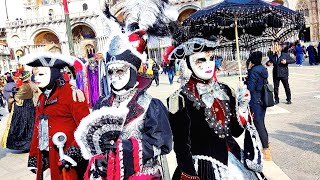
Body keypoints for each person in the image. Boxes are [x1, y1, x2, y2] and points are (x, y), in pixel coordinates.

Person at [74, 30, 172, 180]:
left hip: (142, 173)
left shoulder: (150, 105)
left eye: (120, 71)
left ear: (132, 72)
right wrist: (98, 157)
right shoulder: (103, 104)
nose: (114, 77)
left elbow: (162, 143)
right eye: (111, 72)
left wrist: (122, 149)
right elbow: (93, 140)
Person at [167, 38, 265, 180]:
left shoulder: (225, 90)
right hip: (201, 168)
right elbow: (181, 145)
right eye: (200, 60)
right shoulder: (181, 99)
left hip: (234, 161)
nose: (208, 65)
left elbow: (236, 132)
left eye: (211, 58)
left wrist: (242, 108)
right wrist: (189, 173)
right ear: (188, 63)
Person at [19, 52, 90, 180]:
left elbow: (86, 125)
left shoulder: (70, 93)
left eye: (41, 74)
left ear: (54, 73)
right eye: (35, 75)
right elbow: (37, 127)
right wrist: (34, 156)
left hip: (67, 157)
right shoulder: (41, 98)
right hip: (47, 156)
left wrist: (73, 152)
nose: (36, 79)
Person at [246, 51, 272, 161]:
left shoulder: (253, 71)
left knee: (258, 124)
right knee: (261, 123)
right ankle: (267, 146)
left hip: (255, 100)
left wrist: (246, 81)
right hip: (263, 100)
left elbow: (250, 88)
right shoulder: (263, 69)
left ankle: (266, 151)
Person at [1, 70, 35, 151]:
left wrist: (10, 98)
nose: (16, 80)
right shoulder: (29, 85)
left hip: (22, 109)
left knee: (21, 127)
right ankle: (28, 145)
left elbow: (16, 98)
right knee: (28, 127)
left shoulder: (24, 87)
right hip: (29, 107)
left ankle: (24, 145)